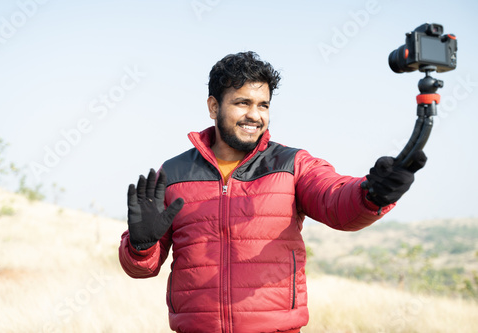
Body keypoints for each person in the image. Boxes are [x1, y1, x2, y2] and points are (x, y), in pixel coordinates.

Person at [118, 51, 427, 333]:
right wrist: (140, 246)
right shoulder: (172, 175)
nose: (255, 115)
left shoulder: (292, 164)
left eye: (263, 105)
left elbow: (337, 201)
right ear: (214, 106)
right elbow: (140, 269)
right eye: (242, 103)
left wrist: (373, 193)